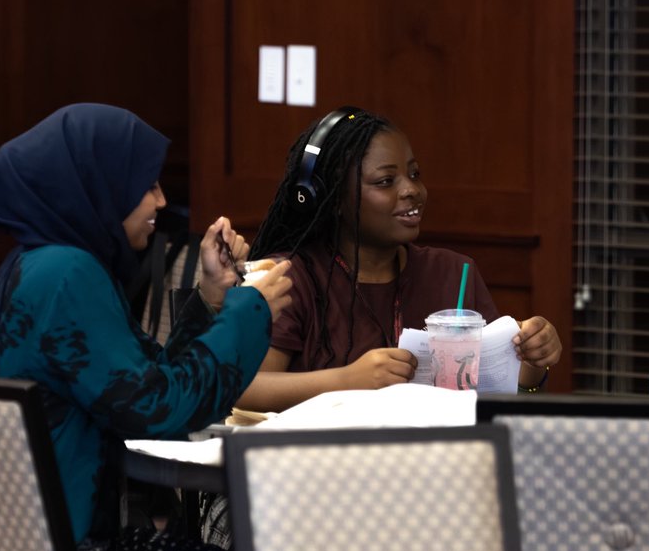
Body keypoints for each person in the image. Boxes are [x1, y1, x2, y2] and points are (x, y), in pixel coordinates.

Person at [0, 103, 292, 551]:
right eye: (147, 184)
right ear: (100, 184)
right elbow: (157, 412)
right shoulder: (67, 275)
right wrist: (248, 312)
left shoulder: (43, 263)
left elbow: (149, 386)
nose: (160, 199)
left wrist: (211, 296)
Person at [236, 106, 562, 413]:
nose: (412, 190)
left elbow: (499, 393)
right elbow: (244, 389)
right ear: (332, 198)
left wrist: (532, 365)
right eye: (386, 181)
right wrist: (347, 381)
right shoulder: (290, 279)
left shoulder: (454, 273)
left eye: (414, 174)